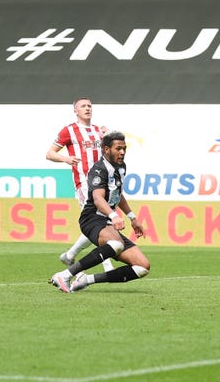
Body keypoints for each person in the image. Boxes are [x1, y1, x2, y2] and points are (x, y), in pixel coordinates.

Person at [50, 131, 150, 293]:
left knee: (142, 266)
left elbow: (118, 194)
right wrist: (114, 215)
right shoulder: (99, 169)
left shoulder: (121, 167)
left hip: (108, 222)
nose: (122, 152)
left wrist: (132, 218)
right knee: (116, 244)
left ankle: (87, 279)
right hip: (92, 218)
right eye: (118, 148)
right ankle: (65, 275)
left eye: (124, 148)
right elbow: (98, 198)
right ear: (106, 149)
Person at [46, 97, 114, 272]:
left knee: (100, 221)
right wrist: (65, 158)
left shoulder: (100, 131)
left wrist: (110, 134)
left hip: (102, 183)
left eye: (90, 106)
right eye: (83, 106)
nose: (87, 108)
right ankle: (106, 263)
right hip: (84, 183)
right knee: (101, 220)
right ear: (75, 111)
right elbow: (50, 153)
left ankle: (69, 255)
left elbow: (115, 151)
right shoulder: (69, 131)